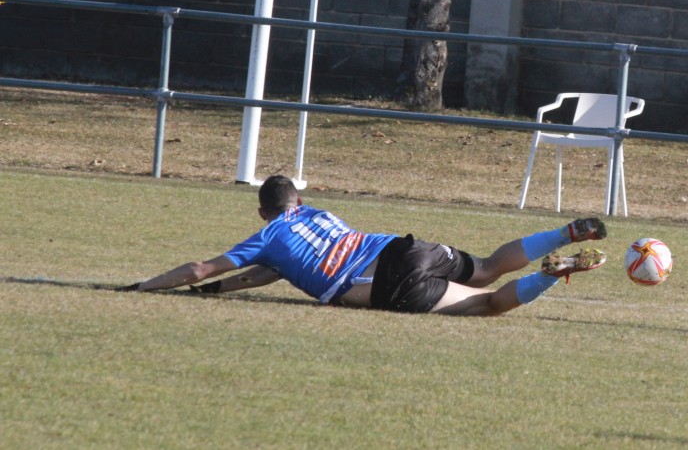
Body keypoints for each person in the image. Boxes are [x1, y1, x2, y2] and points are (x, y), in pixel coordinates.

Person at [117, 174, 607, 315]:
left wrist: (145, 286)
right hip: (405, 247)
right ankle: (564, 235)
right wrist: (220, 293)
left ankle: (549, 274)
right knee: (487, 267)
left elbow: (203, 268)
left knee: (486, 304)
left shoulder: (267, 237)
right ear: (300, 199)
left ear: (263, 213)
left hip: (383, 281)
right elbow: (275, 272)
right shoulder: (319, 213)